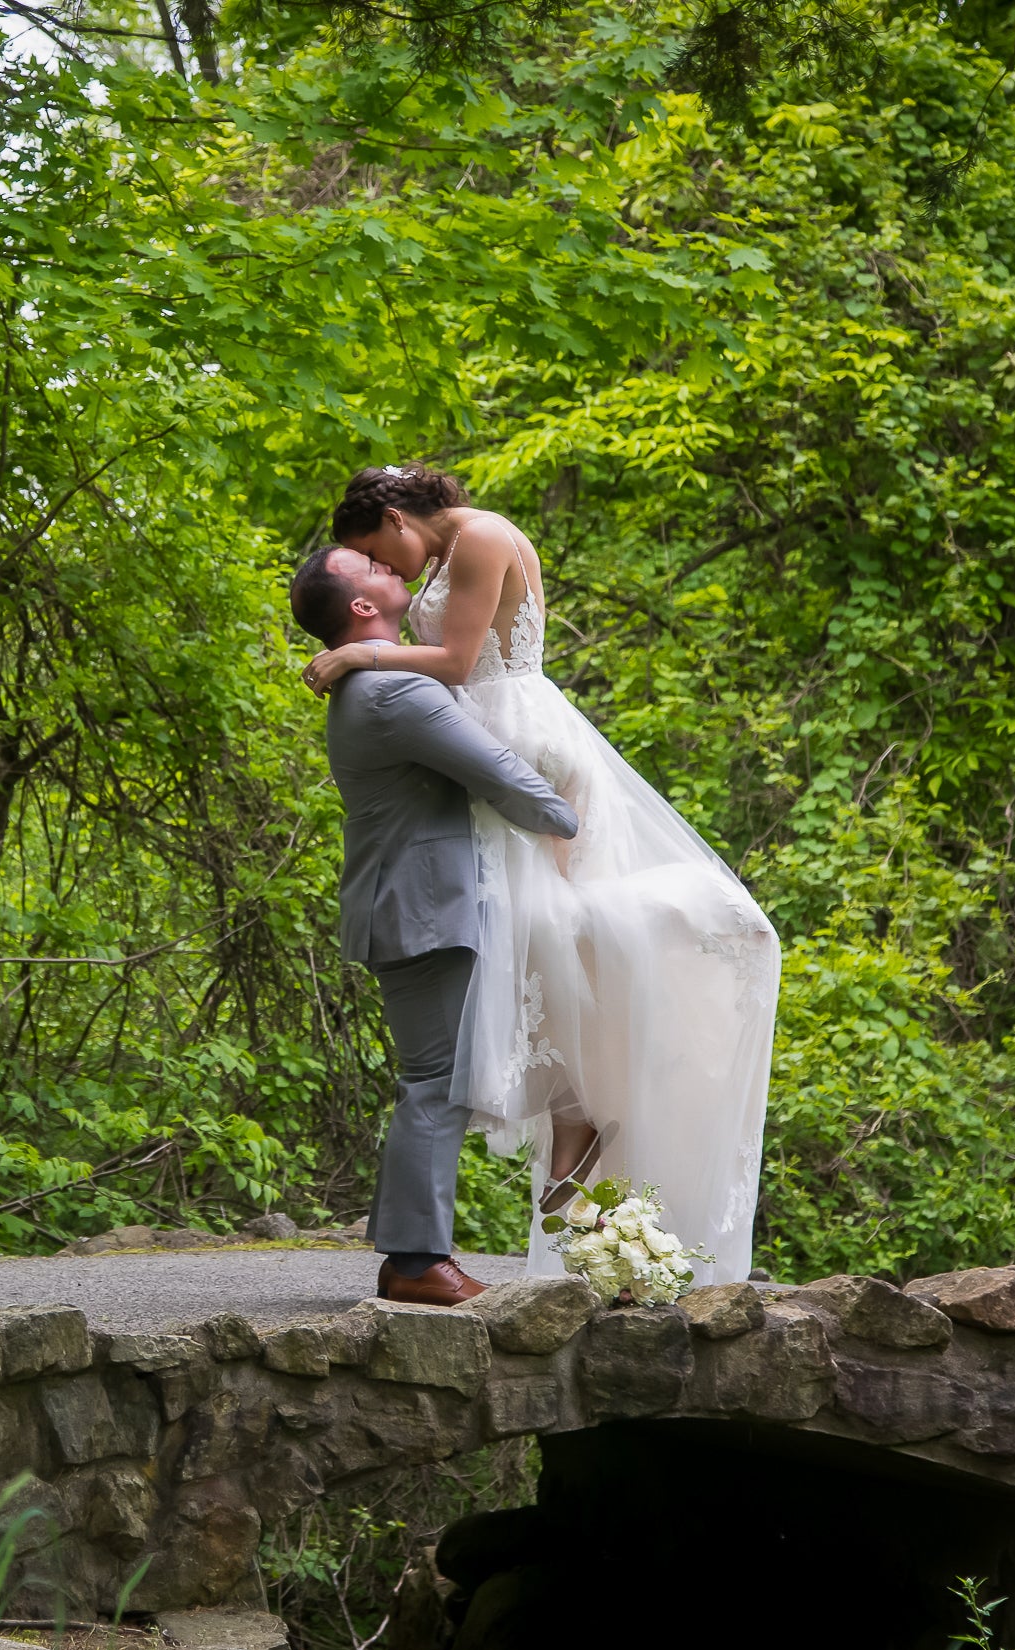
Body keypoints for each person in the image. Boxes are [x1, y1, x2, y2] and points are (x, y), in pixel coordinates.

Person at [303, 464, 780, 1285]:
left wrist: (363, 656)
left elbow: (456, 660)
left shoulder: (475, 542)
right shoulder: (404, 657)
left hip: (514, 740)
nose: (391, 571)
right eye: (373, 567)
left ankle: (575, 1124)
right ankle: (569, 1128)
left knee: (553, 941)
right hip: (478, 769)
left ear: (394, 515)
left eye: (380, 551)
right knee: (538, 959)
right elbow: (449, 674)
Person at [291, 542, 579, 1307]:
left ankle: (417, 1255)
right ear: (360, 606)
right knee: (434, 1083)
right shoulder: (393, 694)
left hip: (420, 902)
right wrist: (572, 818)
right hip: (419, 907)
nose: (392, 567)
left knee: (437, 1079)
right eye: (372, 568)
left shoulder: (382, 678)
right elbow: (498, 773)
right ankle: (415, 1261)